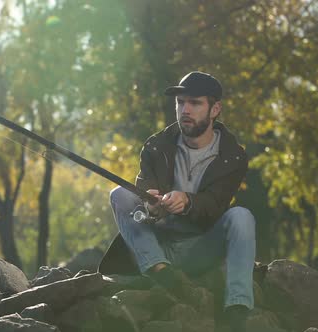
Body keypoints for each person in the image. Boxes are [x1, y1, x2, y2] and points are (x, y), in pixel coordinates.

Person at [98, 71, 256, 332]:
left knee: (242, 217)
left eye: (195, 103)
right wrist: (151, 203)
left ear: (215, 109)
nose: (185, 110)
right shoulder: (155, 146)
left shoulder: (233, 157)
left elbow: (215, 205)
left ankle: (237, 309)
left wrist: (187, 201)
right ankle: (161, 272)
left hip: (201, 249)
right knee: (120, 194)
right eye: (181, 103)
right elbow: (143, 187)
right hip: (156, 243)